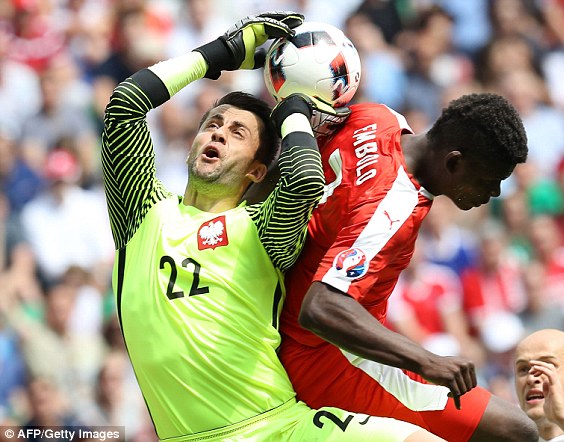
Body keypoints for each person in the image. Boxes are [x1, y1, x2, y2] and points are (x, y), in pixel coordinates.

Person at [102, 11, 445, 442]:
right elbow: (124, 105)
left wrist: (293, 111)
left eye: (237, 132)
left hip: (279, 427)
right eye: (213, 124)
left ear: (258, 170)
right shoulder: (142, 212)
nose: (219, 134)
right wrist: (220, 53)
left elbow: (304, 179)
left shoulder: (260, 228)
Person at [276, 88, 539, 440]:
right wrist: (427, 360)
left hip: (322, 337)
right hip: (326, 357)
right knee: (516, 431)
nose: (493, 194)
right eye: (490, 180)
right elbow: (321, 306)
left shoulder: (377, 117)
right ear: (454, 162)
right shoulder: (394, 208)